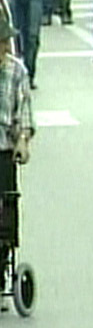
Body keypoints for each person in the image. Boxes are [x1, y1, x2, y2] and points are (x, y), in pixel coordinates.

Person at [0, 18, 34, 312]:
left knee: (8, 203)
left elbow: (23, 112)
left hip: (4, 148)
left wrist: (23, 140)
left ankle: (3, 264)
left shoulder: (16, 71)